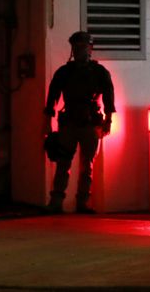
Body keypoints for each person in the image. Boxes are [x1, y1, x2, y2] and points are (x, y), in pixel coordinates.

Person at [44, 31, 115, 214]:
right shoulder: (65, 72)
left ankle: (82, 202)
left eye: (82, 46)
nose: (78, 50)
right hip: (70, 123)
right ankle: (57, 201)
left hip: (90, 122)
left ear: (89, 48)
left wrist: (108, 119)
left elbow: (108, 97)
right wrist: (47, 120)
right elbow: (52, 97)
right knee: (63, 163)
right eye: (75, 47)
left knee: (87, 164)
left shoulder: (99, 72)